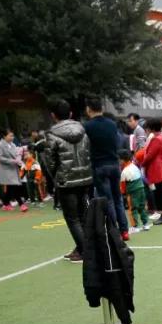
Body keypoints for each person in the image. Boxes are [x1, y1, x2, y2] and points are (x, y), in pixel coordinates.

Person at [40, 99, 93, 262]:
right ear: (70, 113)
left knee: (72, 218)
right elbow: (87, 152)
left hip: (66, 180)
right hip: (85, 177)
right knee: (83, 215)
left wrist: (56, 176)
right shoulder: (82, 130)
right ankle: (84, 248)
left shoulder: (51, 134)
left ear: (53, 115)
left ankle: (85, 251)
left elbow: (49, 161)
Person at [84, 98, 128, 238]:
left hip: (99, 165)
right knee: (118, 198)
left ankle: (113, 230)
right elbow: (117, 142)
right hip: (114, 163)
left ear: (88, 109)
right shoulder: (112, 124)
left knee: (107, 200)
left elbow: (86, 147)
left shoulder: (87, 127)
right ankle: (124, 230)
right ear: (102, 108)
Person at [140, 118, 162, 226]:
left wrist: (142, 163)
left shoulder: (156, 139)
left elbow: (150, 155)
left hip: (157, 168)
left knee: (161, 192)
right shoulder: (160, 137)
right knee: (161, 191)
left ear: (151, 128)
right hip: (161, 167)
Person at [0, 129, 26, 210]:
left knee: (10, 187)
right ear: (4, 136)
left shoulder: (13, 145)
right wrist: (13, 161)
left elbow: (16, 155)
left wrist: (19, 159)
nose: (12, 137)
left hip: (13, 168)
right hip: (5, 169)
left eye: (13, 136)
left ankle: (5, 204)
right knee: (14, 186)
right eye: (10, 136)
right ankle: (21, 204)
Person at [120, 149, 151, 232]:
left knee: (133, 208)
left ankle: (135, 226)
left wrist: (123, 193)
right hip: (141, 188)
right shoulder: (135, 166)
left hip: (132, 192)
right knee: (142, 207)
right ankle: (145, 224)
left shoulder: (124, 172)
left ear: (122, 160)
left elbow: (123, 186)